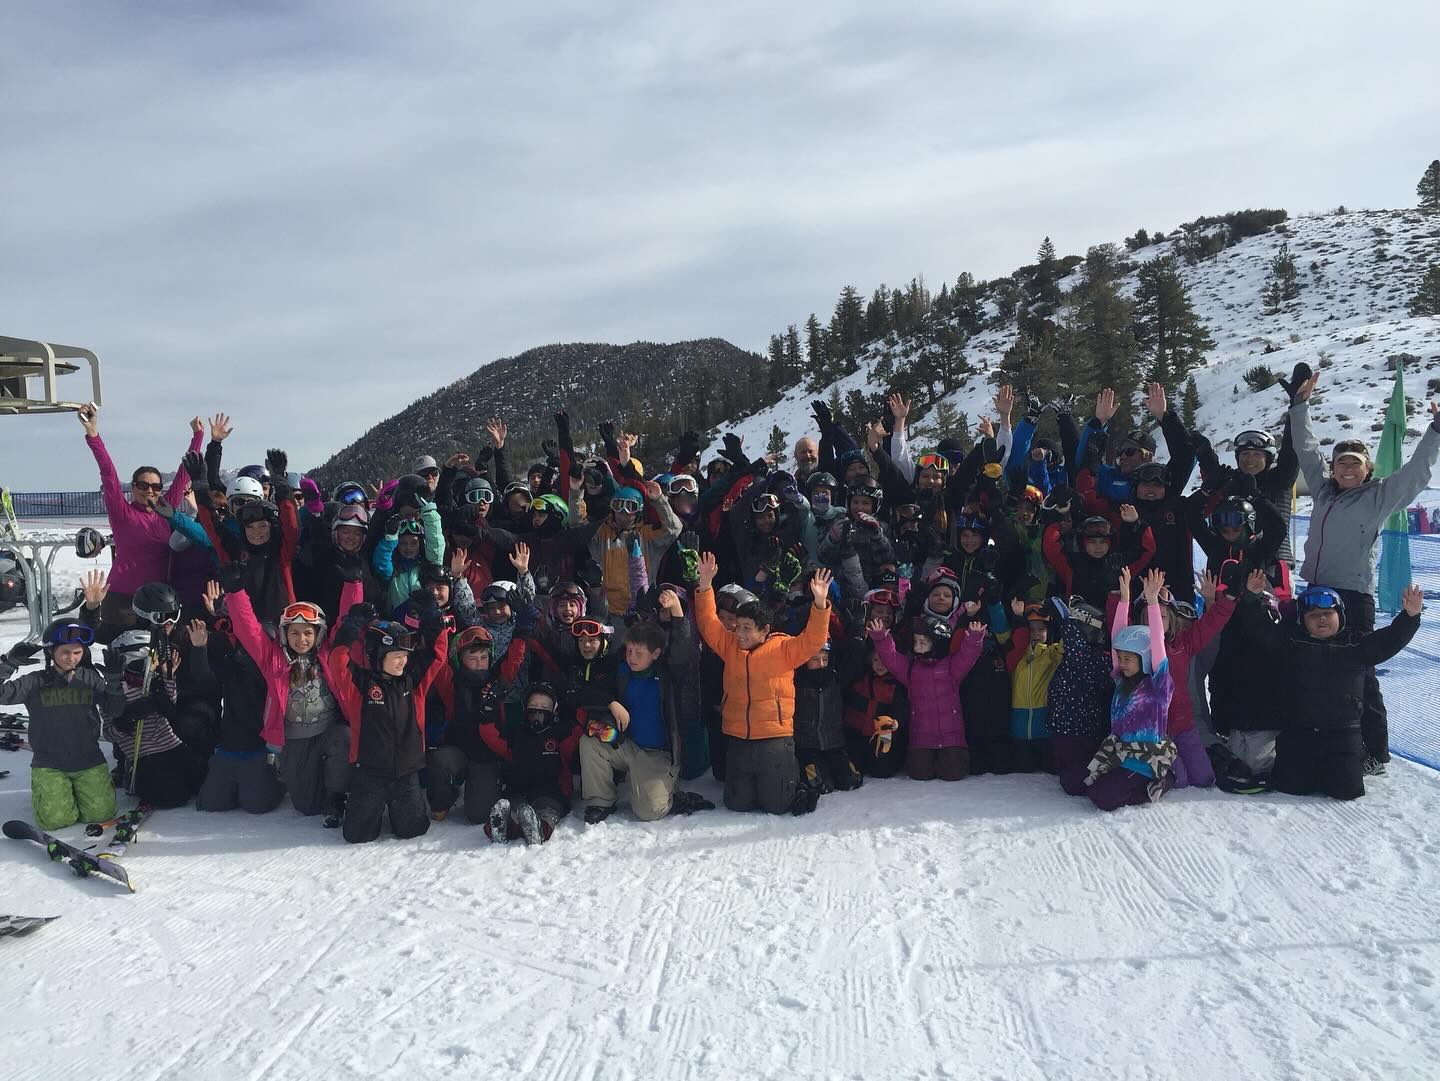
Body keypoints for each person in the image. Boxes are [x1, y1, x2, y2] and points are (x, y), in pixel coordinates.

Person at [1289, 372, 1440, 772]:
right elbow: (1306, 449)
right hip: (1316, 591)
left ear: (1367, 469)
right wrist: (1299, 406)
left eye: (1354, 463)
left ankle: (1376, 751)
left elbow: (1416, 472)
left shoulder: (1378, 497)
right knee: (1310, 668)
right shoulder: (1323, 490)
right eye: (1341, 462)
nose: (1347, 468)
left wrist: (1435, 431)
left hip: (1353, 597)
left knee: (1362, 675)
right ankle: (1316, 734)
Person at [1241, 584, 1422, 800]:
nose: (1322, 619)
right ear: (1302, 620)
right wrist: (1251, 599)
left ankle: (1359, 759)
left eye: (1328, 613)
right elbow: (1260, 630)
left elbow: (1389, 640)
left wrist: (1410, 617)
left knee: (1346, 791)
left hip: (1343, 735)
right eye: (1313, 615)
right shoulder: (1291, 644)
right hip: (1299, 733)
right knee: (1292, 787)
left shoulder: (1356, 646)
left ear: (1340, 616)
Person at [221, 560, 361, 823]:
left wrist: (353, 584)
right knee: (307, 806)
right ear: (285, 634)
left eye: (308, 633)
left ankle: (337, 795)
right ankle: (312, 781)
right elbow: (249, 630)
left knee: (345, 737)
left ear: (318, 634)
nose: (302, 639)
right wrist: (235, 592)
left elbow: (346, 621)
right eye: (294, 633)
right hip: (294, 738)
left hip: (328, 729)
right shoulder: (272, 659)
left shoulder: (328, 653)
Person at [693, 551, 832, 815]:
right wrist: (705, 586)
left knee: (777, 806)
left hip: (774, 738)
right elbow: (709, 623)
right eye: (738, 626)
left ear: (764, 630)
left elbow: (814, 640)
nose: (739, 633)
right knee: (736, 804)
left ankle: (791, 777)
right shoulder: (730, 646)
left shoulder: (783, 649)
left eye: (747, 628)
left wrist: (820, 603)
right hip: (739, 736)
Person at [326, 608, 452, 844]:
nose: (403, 661)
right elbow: (337, 660)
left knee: (413, 831)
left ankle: (399, 811)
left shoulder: (413, 681)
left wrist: (432, 617)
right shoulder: (360, 685)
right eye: (396, 656)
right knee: (357, 836)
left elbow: (437, 655)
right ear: (377, 655)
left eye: (405, 655)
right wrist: (351, 625)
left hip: (406, 773)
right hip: (369, 772)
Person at [78, 403, 202, 626]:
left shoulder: (166, 510)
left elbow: (184, 474)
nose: (149, 491)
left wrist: (198, 436)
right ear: (134, 487)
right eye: (143, 485)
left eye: (155, 486)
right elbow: (108, 473)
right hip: (122, 598)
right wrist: (93, 434)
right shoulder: (122, 513)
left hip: (159, 600)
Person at [1, 620, 125, 830]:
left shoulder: (89, 679)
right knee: (56, 821)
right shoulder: (35, 681)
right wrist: (9, 663)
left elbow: (115, 710)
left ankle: (74, 792)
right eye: (65, 652)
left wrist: (114, 681)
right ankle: (54, 793)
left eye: (77, 652)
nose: (72, 658)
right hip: (50, 764)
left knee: (102, 814)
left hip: (88, 760)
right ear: (51, 652)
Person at [578, 618, 698, 823]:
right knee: (589, 742)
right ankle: (600, 801)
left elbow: (682, 646)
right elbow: (588, 692)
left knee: (649, 812)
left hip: (657, 754)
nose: (631, 657)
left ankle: (672, 794)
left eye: (639, 653)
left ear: (655, 654)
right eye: (629, 651)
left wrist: (677, 614)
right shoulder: (622, 671)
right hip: (626, 745)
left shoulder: (667, 674)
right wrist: (611, 703)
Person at [1084, 568, 1176, 811]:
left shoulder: (1157, 685)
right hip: (1121, 754)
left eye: (1128, 659)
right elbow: (1118, 638)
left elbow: (1157, 643)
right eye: (1120, 658)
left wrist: (1153, 602)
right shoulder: (1121, 679)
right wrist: (1124, 600)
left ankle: (1162, 781)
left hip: (1144, 760)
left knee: (1102, 799)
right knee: (1081, 786)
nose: (1121, 663)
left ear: (1145, 659)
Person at [868, 614, 986, 781]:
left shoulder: (951, 667)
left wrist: (974, 638)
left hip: (950, 735)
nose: (917, 647)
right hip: (921, 736)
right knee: (919, 773)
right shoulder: (911, 669)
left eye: (922, 643)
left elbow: (968, 656)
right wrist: (881, 638)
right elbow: (891, 658)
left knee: (954, 773)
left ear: (937, 643)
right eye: (916, 642)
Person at [427, 625, 506, 823]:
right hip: (459, 751)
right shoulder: (453, 684)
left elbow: (514, 660)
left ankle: (490, 786)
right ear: (460, 660)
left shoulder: (498, 682)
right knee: (438, 758)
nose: (479, 663)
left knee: (478, 815)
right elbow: (439, 662)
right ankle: (444, 798)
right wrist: (437, 627)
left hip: (486, 759)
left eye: (483, 657)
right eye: (472, 658)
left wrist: (523, 630)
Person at [484, 683, 579, 844]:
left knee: (547, 810)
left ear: (554, 710)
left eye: (545, 707)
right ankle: (502, 827)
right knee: (513, 807)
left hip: (551, 792)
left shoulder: (560, 733)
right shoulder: (516, 733)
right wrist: (487, 714)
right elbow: (492, 737)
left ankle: (540, 829)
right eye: (533, 705)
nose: (538, 711)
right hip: (519, 790)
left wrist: (576, 707)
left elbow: (578, 732)